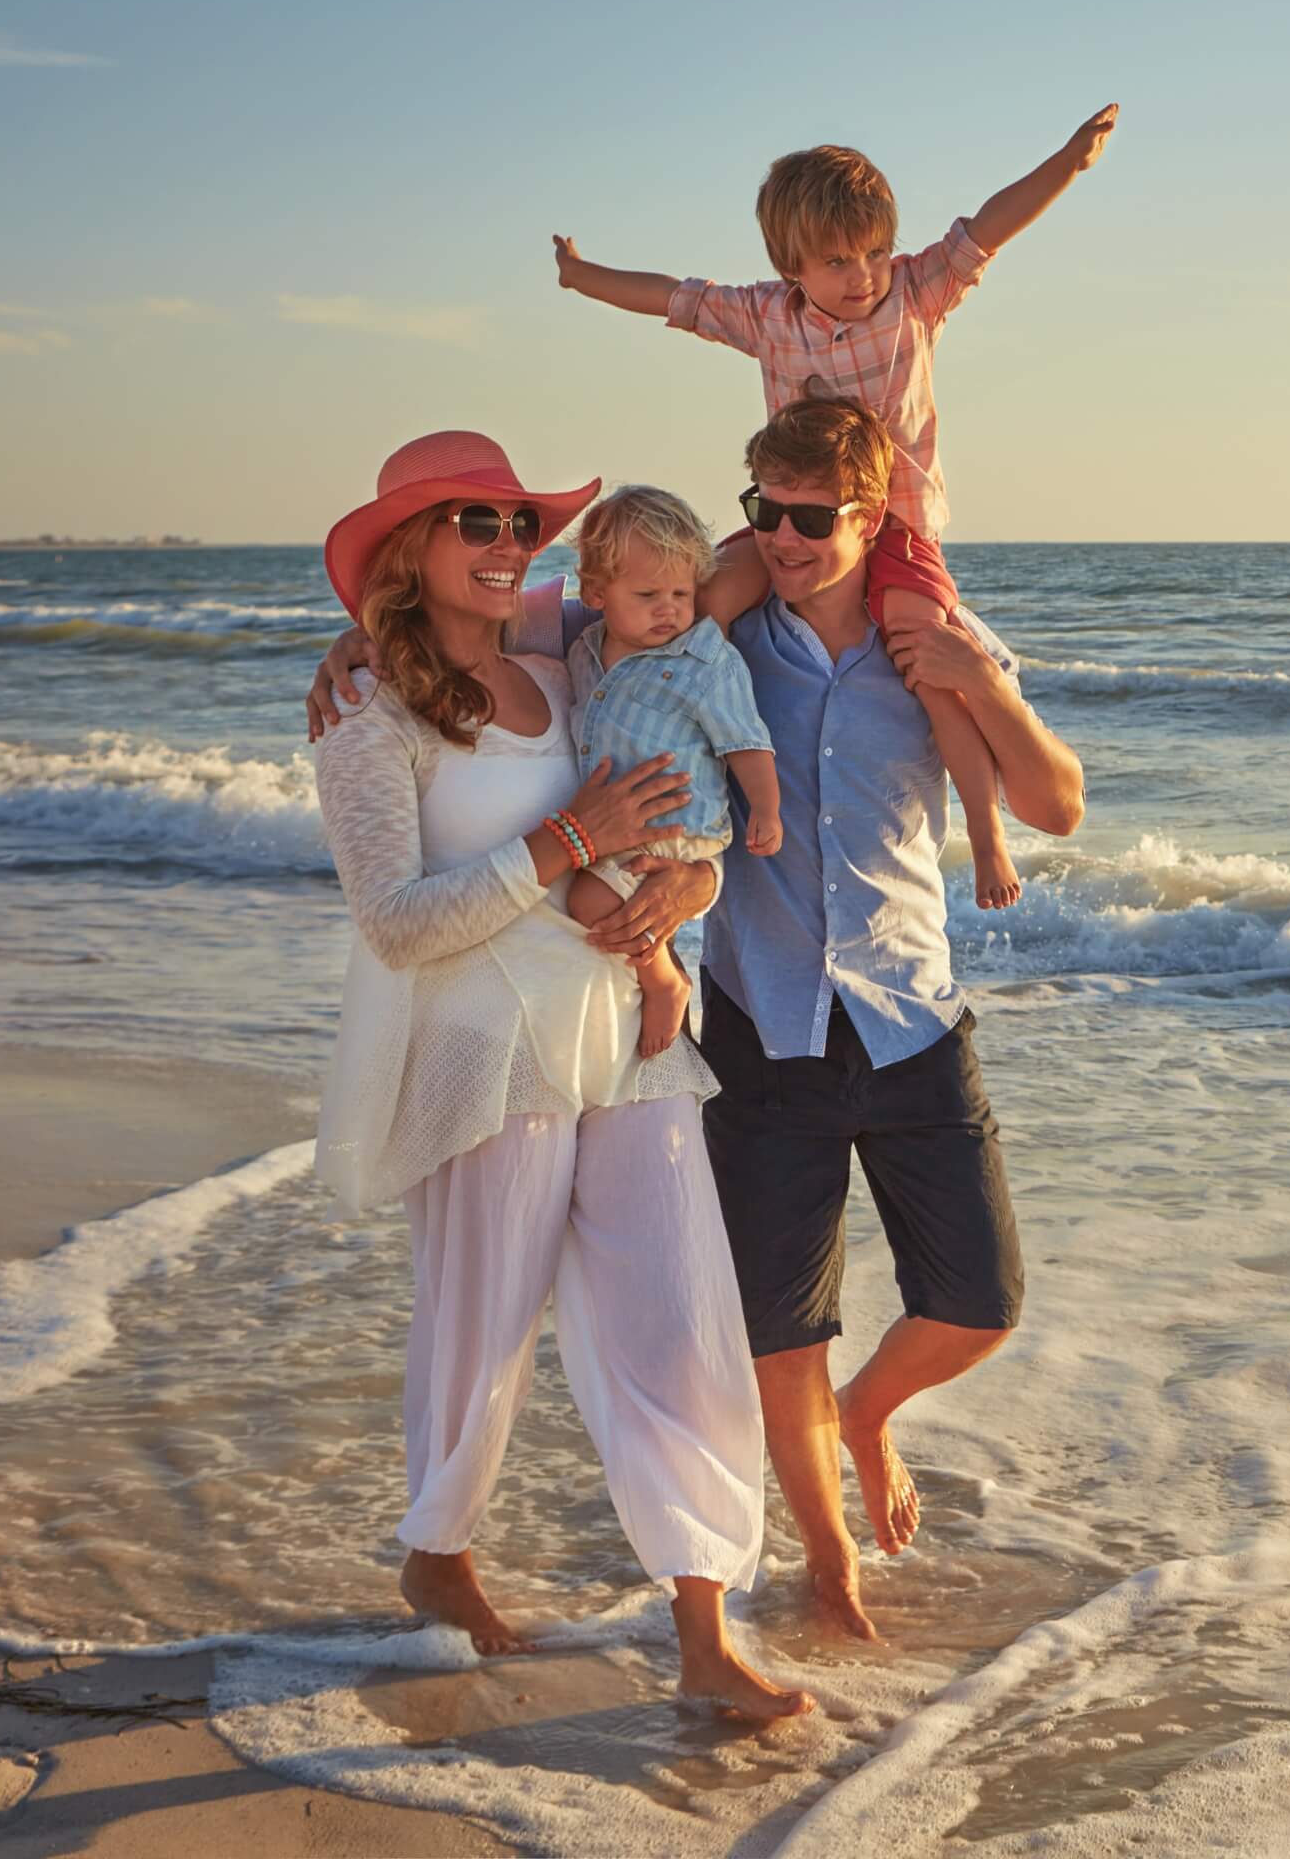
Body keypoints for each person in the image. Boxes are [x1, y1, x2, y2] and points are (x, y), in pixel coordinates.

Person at [308, 401, 1086, 1643]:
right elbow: (496, 665)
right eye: (761, 511)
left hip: (774, 1028)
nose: (779, 537)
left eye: (808, 516)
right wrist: (358, 644)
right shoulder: (648, 643)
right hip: (631, 1041)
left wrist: (976, 683)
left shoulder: (893, 637)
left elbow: (1043, 801)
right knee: (631, 1330)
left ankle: (788, 1523)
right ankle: (500, 1549)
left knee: (835, 1312)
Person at [310, 426, 810, 1720]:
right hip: (486, 1058)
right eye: (471, 523)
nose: (504, 543)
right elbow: (398, 925)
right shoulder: (373, 718)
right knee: (483, 1328)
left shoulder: (563, 659)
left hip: (631, 1038)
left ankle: (706, 1620)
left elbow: (673, 755)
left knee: (682, 1316)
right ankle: (438, 1551)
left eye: (517, 523)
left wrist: (693, 877)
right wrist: (562, 843)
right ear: (410, 551)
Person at [549, 104, 1116, 912]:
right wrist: (582, 277)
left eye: (876, 252)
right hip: (796, 502)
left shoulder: (915, 294)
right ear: (792, 267)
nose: (864, 276)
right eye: (839, 261)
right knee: (697, 603)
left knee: (934, 672)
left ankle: (985, 839)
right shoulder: (766, 318)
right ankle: (669, 803)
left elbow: (989, 227)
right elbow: (670, 297)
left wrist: (1067, 163)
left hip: (903, 528)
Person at [564, 485, 781, 1058]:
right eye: (647, 593)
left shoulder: (704, 661)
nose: (670, 609)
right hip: (613, 834)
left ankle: (664, 980)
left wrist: (766, 807)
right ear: (594, 592)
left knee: (588, 901)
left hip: (676, 833)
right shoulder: (580, 649)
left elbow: (745, 740)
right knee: (589, 903)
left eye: (682, 593)